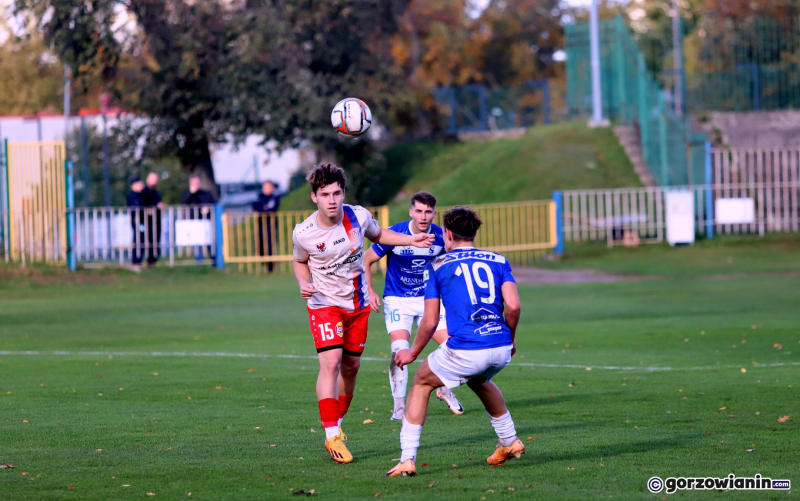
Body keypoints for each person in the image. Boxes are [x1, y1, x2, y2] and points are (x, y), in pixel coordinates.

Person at [291, 163, 435, 465]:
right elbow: (300, 261)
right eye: (325, 194)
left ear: (343, 193)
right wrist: (304, 283)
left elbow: (380, 234)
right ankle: (332, 434)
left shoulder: (357, 216)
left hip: (356, 306)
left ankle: (337, 420)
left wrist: (411, 240)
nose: (332, 200)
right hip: (324, 303)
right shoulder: (304, 233)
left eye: (337, 193)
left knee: (350, 368)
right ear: (314, 197)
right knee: (330, 363)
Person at [386, 206, 523, 477]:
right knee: (479, 380)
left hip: (468, 347)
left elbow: (429, 321)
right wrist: (512, 337)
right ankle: (509, 442)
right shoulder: (498, 259)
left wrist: (412, 352)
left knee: (422, 382)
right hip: (500, 344)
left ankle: (406, 459)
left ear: (446, 233)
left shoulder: (437, 265)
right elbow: (514, 306)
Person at [363, 191, 463, 421]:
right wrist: (369, 291)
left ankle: (444, 387)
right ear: (411, 212)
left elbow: (451, 265)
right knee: (400, 350)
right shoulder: (395, 233)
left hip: (429, 300)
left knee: (452, 345)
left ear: (434, 214)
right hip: (398, 299)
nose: (423, 216)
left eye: (428, 212)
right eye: (419, 211)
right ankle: (399, 407)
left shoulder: (440, 236)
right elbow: (367, 260)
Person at [180, 175, 217, 262]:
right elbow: (183, 203)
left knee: (210, 242)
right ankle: (200, 263)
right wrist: (191, 193)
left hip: (206, 222)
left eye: (197, 183)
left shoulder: (206, 194)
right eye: (194, 183)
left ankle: (215, 261)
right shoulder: (186, 194)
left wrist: (207, 209)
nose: (196, 185)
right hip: (193, 223)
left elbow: (213, 204)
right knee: (196, 244)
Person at [252, 180, 282, 272]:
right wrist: (262, 210)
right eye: (264, 187)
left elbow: (272, 208)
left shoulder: (274, 197)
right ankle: (262, 260)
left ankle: (270, 267)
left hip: (270, 224)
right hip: (260, 224)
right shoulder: (259, 196)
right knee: (260, 244)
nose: (265, 189)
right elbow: (254, 207)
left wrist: (261, 211)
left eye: (267, 187)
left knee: (269, 244)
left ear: (272, 188)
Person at [142, 172, 164, 267]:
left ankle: (153, 261)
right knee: (149, 241)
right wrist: (152, 207)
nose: (155, 182)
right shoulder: (144, 192)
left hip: (156, 220)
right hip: (148, 221)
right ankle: (149, 261)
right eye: (153, 180)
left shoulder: (156, 192)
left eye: (156, 180)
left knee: (156, 240)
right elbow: (143, 205)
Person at [126, 176, 147, 273]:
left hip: (141, 221)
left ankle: (138, 262)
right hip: (136, 221)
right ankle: (135, 262)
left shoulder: (141, 195)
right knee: (138, 241)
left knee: (141, 241)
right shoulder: (132, 195)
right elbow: (135, 208)